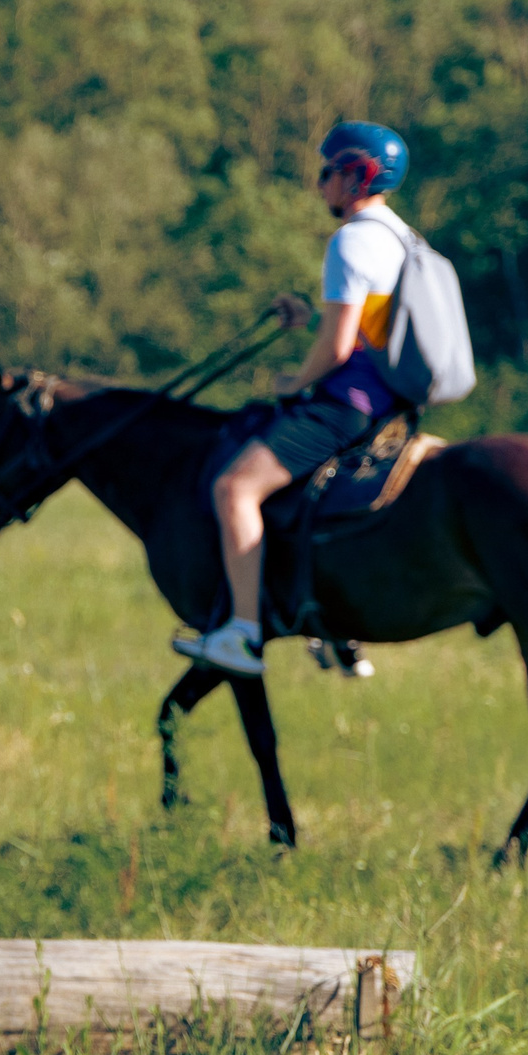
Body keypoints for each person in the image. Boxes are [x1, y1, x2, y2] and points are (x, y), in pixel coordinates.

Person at [175, 121, 420, 677]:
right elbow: (366, 329)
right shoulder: (403, 238)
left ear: (357, 176)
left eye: (328, 171)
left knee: (235, 487)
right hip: (391, 409)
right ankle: (335, 630)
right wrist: (306, 318)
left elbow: (336, 350)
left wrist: (294, 381)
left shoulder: (350, 240)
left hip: (347, 405)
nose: (320, 183)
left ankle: (241, 633)